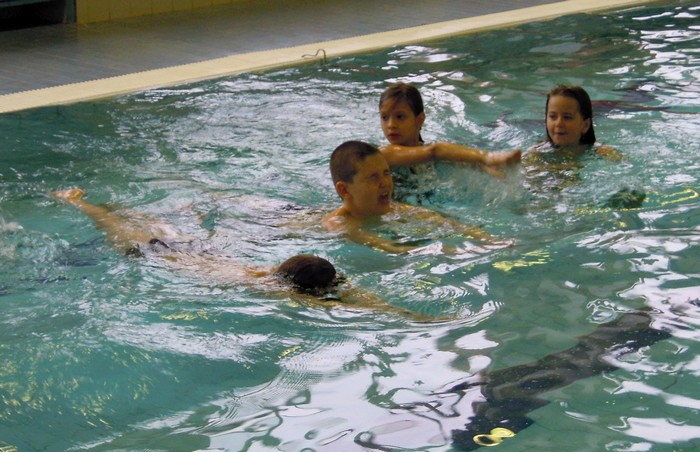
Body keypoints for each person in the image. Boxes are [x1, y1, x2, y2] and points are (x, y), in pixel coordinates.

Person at [51, 188, 429, 318]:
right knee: (114, 225)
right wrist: (405, 315)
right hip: (156, 256)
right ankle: (77, 202)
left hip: (190, 249)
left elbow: (345, 290)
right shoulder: (272, 288)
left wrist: (403, 312)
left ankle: (89, 202)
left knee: (129, 220)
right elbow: (338, 300)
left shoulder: (275, 274)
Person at [322, 140, 506, 254]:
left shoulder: (392, 208)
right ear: (344, 190)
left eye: (386, 173)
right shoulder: (339, 224)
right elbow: (392, 249)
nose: (385, 183)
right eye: (373, 177)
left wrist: (488, 240)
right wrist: (459, 251)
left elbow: (440, 221)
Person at [378, 82, 521, 203]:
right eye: (384, 117)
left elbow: (458, 160)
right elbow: (437, 151)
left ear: (419, 120)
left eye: (400, 117)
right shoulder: (384, 155)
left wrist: (485, 168)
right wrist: (487, 157)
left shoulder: (426, 153)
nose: (391, 125)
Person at [533, 84, 621, 159]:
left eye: (567, 117)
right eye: (553, 117)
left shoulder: (606, 154)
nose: (558, 123)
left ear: (585, 125)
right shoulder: (536, 154)